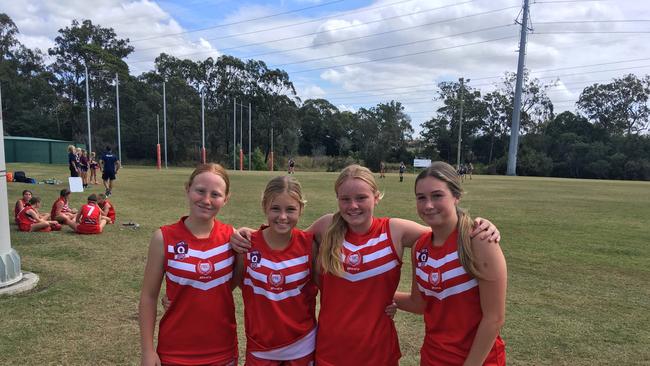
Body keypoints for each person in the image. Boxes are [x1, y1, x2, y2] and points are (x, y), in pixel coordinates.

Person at [232, 164, 500, 366]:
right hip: (329, 351)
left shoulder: (395, 230)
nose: (353, 206)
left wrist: (480, 224)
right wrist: (247, 234)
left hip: (378, 352)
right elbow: (287, 238)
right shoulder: (326, 227)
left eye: (361, 198)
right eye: (345, 199)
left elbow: (442, 233)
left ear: (376, 197)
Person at [393, 162, 507, 365]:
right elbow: (418, 304)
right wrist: (373, 292)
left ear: (456, 196)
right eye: (421, 198)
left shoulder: (479, 240)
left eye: (437, 196)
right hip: (432, 357)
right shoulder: (420, 247)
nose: (428, 205)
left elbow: (494, 318)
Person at [139, 163, 238, 366]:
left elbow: (231, 283)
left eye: (216, 194)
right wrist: (147, 351)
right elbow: (148, 297)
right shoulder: (163, 238)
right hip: (174, 352)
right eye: (200, 191)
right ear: (188, 189)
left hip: (222, 352)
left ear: (226, 199)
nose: (206, 200)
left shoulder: (232, 238)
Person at [236, 175, 318, 365]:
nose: (282, 217)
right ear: (264, 206)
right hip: (260, 348)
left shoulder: (309, 245)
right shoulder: (247, 245)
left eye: (290, 209)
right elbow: (231, 284)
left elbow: (333, 289)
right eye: (275, 209)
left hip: (303, 345)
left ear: (301, 210)